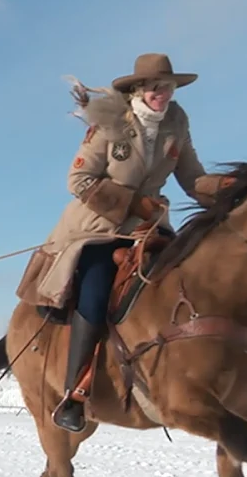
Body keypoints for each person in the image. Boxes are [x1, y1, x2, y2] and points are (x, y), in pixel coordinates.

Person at [17, 52, 233, 433]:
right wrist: (133, 202)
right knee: (96, 292)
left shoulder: (177, 123)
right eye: (154, 87)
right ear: (137, 89)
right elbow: (78, 181)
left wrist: (229, 188)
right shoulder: (110, 123)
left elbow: (192, 178)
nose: (162, 94)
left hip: (150, 229)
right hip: (98, 229)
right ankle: (75, 393)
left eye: (167, 87)